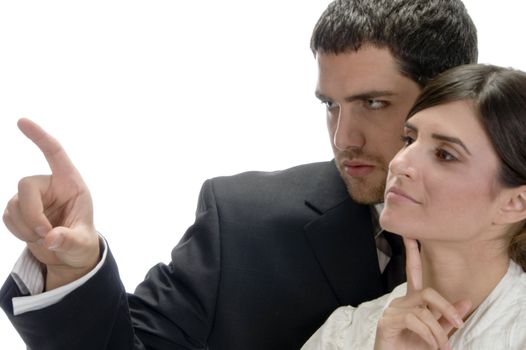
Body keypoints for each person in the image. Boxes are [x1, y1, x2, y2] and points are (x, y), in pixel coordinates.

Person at [0, 1, 477, 349]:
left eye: (374, 103)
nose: (342, 138)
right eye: (330, 105)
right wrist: (72, 268)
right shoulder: (243, 222)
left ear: (453, 95)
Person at [302, 64, 526, 349]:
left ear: (515, 202)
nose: (399, 163)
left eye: (445, 155)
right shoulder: (346, 333)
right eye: (409, 139)